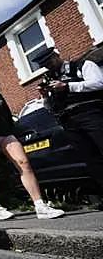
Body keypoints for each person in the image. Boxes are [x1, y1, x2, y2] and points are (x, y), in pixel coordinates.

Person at [0, 65, 65, 220]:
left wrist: (22, 132)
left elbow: (8, 118)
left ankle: (40, 206)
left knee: (24, 163)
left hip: (5, 135)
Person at [32, 47, 103, 193]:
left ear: (56, 55)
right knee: (91, 159)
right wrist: (45, 96)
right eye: (45, 65)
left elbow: (99, 83)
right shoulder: (50, 78)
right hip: (68, 121)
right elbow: (50, 107)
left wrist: (68, 86)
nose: (49, 67)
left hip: (90, 113)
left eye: (49, 62)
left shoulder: (82, 65)